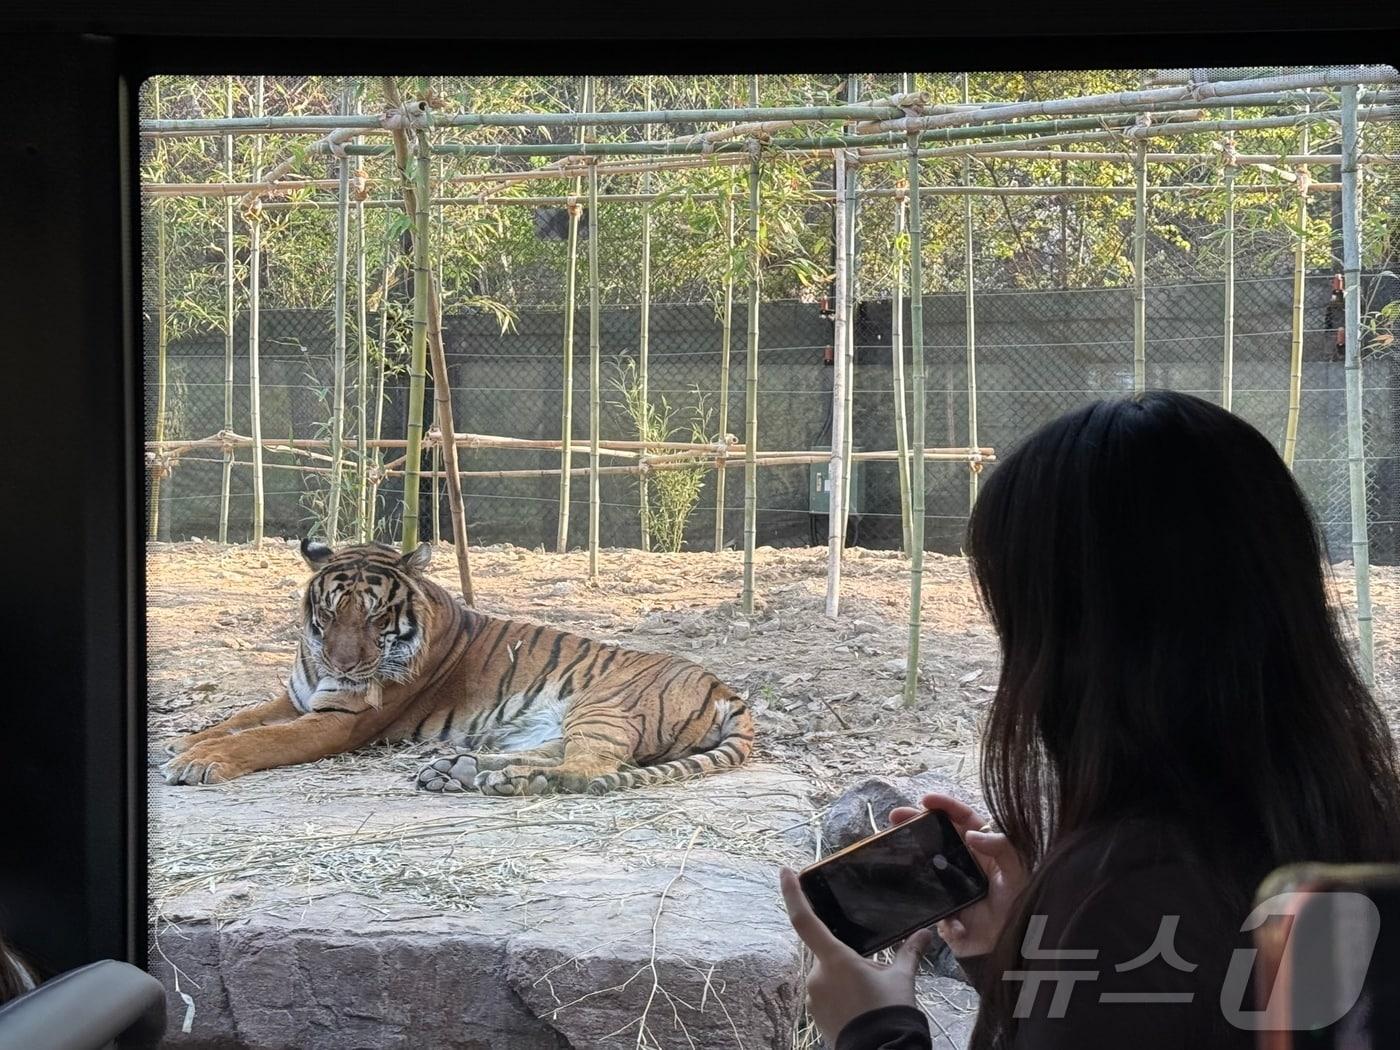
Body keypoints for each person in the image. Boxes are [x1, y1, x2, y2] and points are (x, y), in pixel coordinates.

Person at [780, 391, 1400, 1049]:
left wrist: (876, 1030)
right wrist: (1025, 952)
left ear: (1081, 644)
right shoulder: (1352, 825)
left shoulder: (1135, 886)